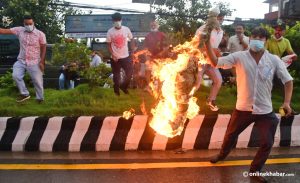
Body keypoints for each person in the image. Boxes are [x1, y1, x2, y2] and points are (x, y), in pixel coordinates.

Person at [204, 27, 293, 183]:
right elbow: (216, 62)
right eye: (254, 36)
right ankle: (222, 155)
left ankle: (255, 171)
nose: (257, 40)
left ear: (266, 41)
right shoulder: (239, 56)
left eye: (261, 38)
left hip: (265, 110)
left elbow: (288, 81)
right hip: (242, 108)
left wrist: (286, 102)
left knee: (267, 142)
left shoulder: (274, 60)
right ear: (250, 38)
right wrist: (206, 45)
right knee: (230, 136)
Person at [0, 15, 46, 103]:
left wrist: (42, 61)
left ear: (33, 23)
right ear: (23, 23)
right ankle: (25, 94)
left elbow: (44, 47)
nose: (28, 25)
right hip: (21, 60)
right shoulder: (19, 30)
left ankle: (40, 99)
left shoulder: (40, 34)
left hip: (34, 61)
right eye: (26, 24)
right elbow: (3, 31)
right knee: (16, 76)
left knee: (38, 82)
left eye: (30, 24)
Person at [194, 8, 225, 111]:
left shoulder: (220, 31)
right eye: (217, 18)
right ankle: (185, 101)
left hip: (211, 61)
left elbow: (215, 46)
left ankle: (211, 100)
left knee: (218, 80)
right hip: (200, 61)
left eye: (221, 19)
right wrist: (209, 51)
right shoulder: (202, 29)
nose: (219, 20)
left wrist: (217, 53)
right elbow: (195, 45)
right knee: (197, 83)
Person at [107, 12, 135, 96]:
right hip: (115, 58)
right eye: (115, 20)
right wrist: (113, 54)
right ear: (113, 21)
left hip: (126, 57)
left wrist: (132, 49)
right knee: (116, 76)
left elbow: (132, 39)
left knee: (130, 73)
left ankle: (123, 86)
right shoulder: (110, 31)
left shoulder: (126, 29)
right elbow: (108, 45)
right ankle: (116, 92)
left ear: (121, 20)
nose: (117, 22)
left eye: (118, 20)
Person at [143, 20, 167, 91]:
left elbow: (166, 46)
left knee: (160, 72)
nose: (153, 27)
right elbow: (145, 48)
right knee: (148, 71)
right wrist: (147, 56)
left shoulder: (162, 35)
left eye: (155, 25)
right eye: (152, 25)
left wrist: (162, 53)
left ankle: (160, 87)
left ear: (158, 26)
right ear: (150, 27)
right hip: (150, 57)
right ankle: (148, 86)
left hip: (161, 57)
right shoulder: (147, 36)